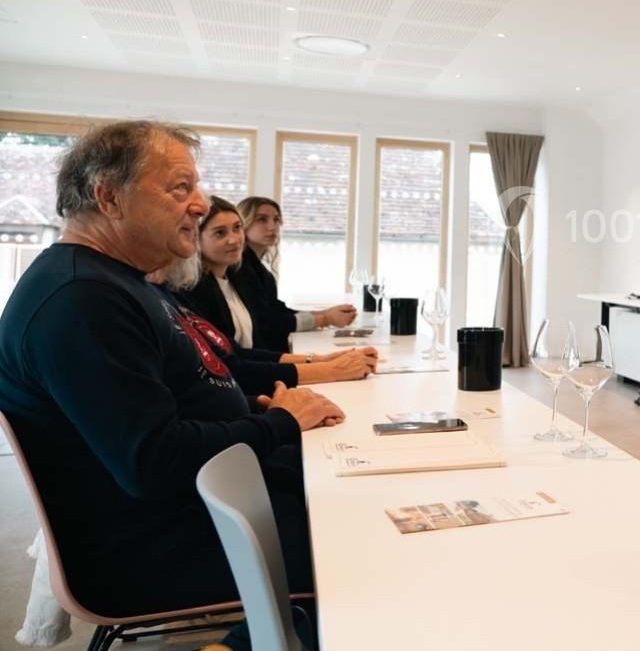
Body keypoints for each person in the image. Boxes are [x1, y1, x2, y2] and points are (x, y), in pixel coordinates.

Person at [0, 120, 344, 645]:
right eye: (179, 187)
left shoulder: (120, 281)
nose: (201, 203)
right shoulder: (80, 299)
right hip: (155, 545)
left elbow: (176, 395)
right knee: (363, 542)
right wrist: (277, 423)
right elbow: (154, 462)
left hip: (209, 502)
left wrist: (252, 408)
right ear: (109, 198)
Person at [175, 198, 377, 385]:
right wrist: (330, 368)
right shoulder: (194, 290)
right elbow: (233, 362)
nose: (234, 240)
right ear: (195, 238)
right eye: (220, 233)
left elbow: (241, 352)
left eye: (237, 228)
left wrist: (318, 360)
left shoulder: (232, 278)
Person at [234, 196, 356, 353]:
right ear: (243, 223)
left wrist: (327, 314)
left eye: (276, 220)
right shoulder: (241, 268)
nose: (272, 227)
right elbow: (268, 323)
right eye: (262, 220)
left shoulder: (259, 270)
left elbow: (278, 311)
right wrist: (325, 319)